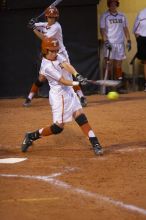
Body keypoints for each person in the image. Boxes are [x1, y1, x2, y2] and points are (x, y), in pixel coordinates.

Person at [21, 37, 103, 156]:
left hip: (69, 92)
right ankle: (31, 136)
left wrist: (77, 75)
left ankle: (95, 143)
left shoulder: (57, 56)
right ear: (45, 51)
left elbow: (66, 64)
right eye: (52, 51)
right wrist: (77, 83)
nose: (55, 53)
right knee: (57, 128)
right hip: (60, 97)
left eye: (56, 50)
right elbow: (63, 81)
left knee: (80, 117)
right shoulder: (46, 67)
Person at [23, 6, 87, 107]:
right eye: (49, 17)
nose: (51, 19)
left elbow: (44, 38)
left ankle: (82, 97)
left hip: (60, 54)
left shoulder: (57, 26)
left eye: (53, 17)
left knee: (68, 77)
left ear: (56, 18)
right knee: (41, 77)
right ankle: (29, 97)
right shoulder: (44, 25)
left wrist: (34, 28)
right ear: (46, 17)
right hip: (48, 55)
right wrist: (32, 22)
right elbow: (31, 25)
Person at [100, 0, 131, 92]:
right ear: (108, 5)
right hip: (110, 43)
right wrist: (105, 41)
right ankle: (108, 86)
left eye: (114, 3)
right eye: (111, 4)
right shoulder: (105, 16)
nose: (113, 5)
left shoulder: (122, 15)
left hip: (120, 43)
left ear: (117, 4)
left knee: (118, 64)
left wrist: (129, 40)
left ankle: (119, 85)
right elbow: (102, 30)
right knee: (108, 64)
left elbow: (125, 28)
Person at [133, 8, 146, 91]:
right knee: (145, 62)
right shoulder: (141, 13)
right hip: (143, 39)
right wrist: (139, 40)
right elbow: (135, 30)